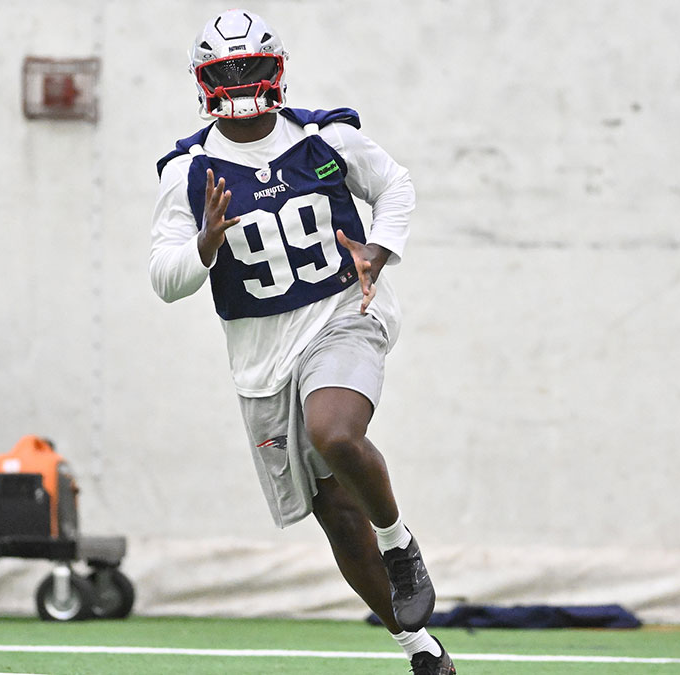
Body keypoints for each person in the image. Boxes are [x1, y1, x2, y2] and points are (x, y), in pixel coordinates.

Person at [150, 9, 455, 674]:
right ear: (203, 83)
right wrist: (205, 241)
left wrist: (380, 248)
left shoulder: (325, 137)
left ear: (276, 71)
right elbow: (163, 278)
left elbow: (395, 184)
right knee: (338, 515)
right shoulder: (191, 170)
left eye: (249, 68)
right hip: (263, 359)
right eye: (224, 72)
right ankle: (420, 647)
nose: (238, 82)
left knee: (335, 432)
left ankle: (401, 546)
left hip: (343, 314)